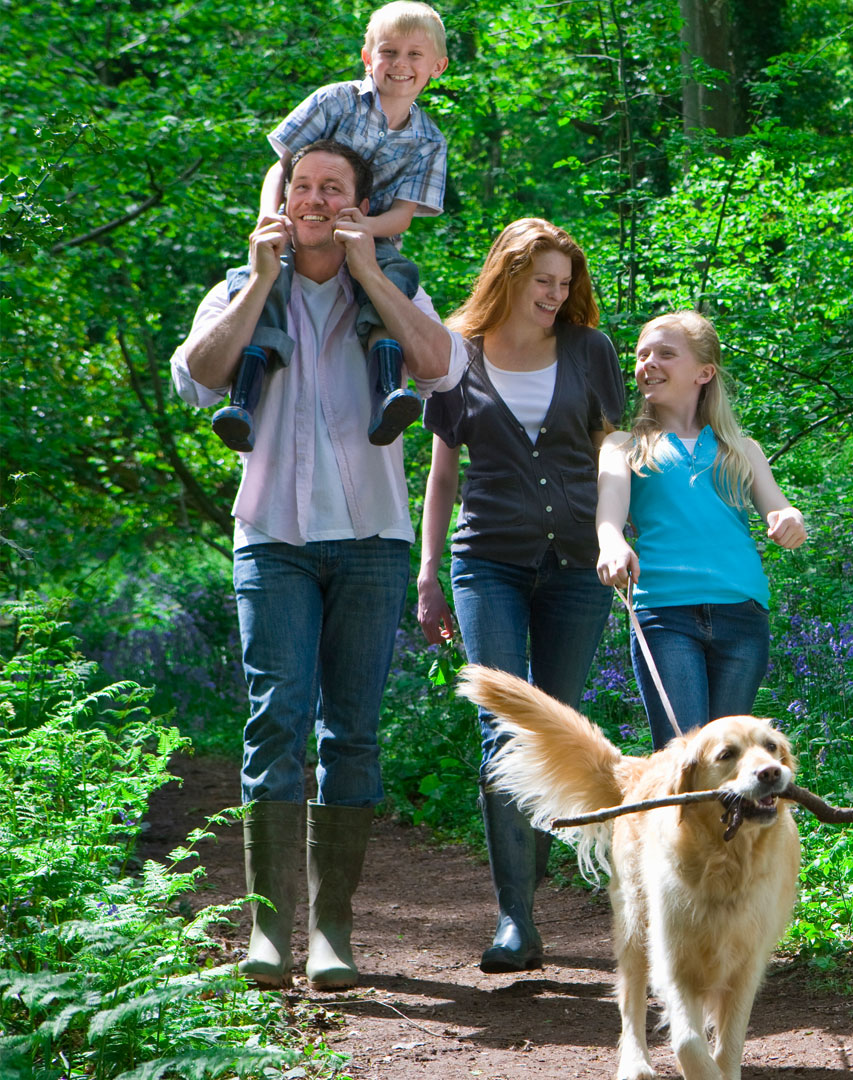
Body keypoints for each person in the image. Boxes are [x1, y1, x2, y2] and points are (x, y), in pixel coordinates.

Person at [170, 140, 464, 990]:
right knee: (277, 719)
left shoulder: (398, 285)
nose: (314, 198)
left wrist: (370, 271)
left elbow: (440, 367)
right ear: (284, 198)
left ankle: (332, 930)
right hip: (272, 537)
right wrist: (262, 278)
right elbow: (197, 377)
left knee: (353, 731)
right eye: (302, 185)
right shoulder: (237, 288)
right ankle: (270, 933)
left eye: (333, 187)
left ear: (358, 203)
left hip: (372, 537)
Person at [415, 219, 625, 973]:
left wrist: (615, 535)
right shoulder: (453, 351)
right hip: (486, 563)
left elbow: (613, 450)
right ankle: (516, 921)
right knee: (504, 733)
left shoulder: (590, 350)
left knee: (556, 738)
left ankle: (525, 880)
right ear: (507, 273)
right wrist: (428, 570)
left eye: (565, 283)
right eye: (543, 281)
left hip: (577, 565)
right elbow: (443, 474)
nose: (556, 295)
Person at [210, 0, 452, 453]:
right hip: (301, 229)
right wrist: (269, 214)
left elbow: (403, 215)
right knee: (262, 285)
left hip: (372, 238)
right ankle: (242, 400)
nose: (400, 64)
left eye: (415, 55)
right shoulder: (335, 100)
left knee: (392, 287)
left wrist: (363, 229)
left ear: (437, 66)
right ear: (368, 57)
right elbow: (281, 166)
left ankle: (388, 396)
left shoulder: (430, 140)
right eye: (388, 52)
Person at [595, 311, 808, 750]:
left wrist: (790, 519)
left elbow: (781, 508)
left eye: (666, 354)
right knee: (686, 760)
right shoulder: (624, 446)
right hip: (666, 614)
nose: (648, 363)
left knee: (733, 763)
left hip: (742, 614)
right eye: (642, 355)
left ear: (704, 373)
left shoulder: (741, 450)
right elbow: (609, 514)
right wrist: (612, 544)